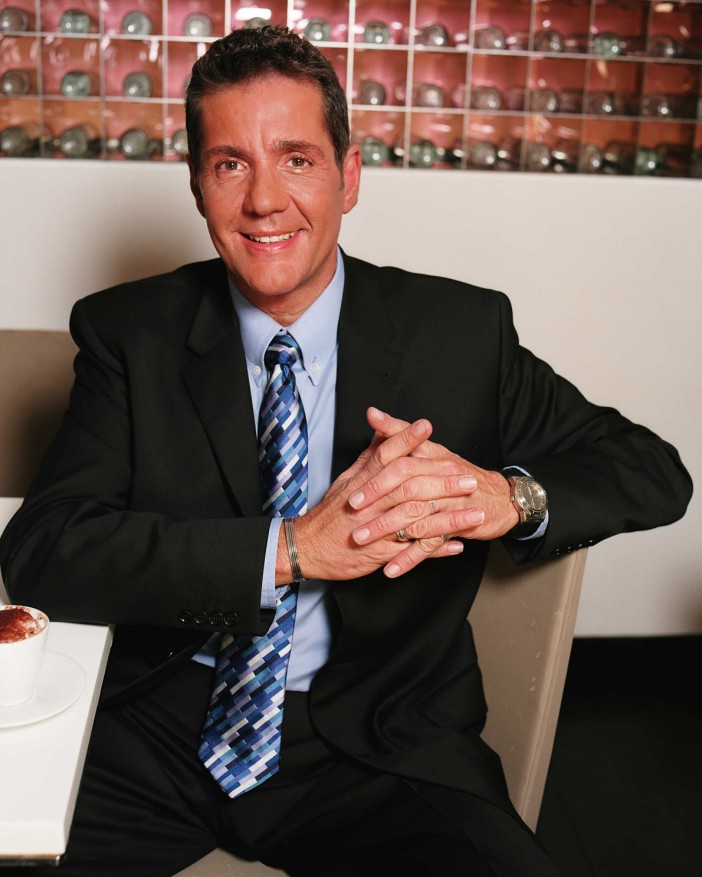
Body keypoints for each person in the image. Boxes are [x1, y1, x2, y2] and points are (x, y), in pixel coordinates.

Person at [0, 25, 692, 877]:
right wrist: (290, 549)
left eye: (296, 159)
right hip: (156, 729)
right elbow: (44, 549)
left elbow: (651, 468)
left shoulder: (460, 334)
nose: (263, 201)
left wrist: (511, 498)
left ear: (349, 175)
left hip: (378, 744)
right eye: (229, 164)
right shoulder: (128, 334)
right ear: (196, 185)